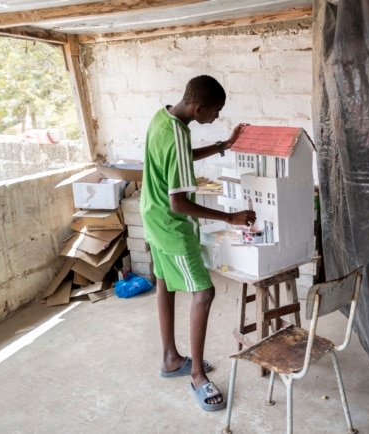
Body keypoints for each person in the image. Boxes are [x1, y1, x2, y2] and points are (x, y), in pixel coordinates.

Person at [139, 75, 255, 411]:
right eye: (215, 112)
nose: (216, 118)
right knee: (204, 292)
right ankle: (197, 377)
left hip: (151, 215)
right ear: (199, 107)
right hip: (171, 224)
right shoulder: (177, 134)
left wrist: (223, 146)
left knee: (164, 283)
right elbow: (179, 203)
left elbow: (180, 157)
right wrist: (229, 218)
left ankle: (170, 358)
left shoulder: (163, 118)